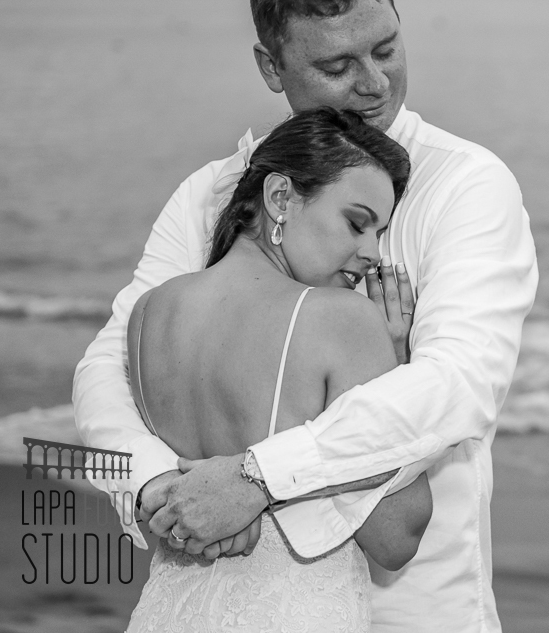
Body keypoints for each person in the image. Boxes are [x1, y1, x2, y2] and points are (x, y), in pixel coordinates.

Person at [73, 0, 538, 631]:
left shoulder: (464, 185)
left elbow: (461, 380)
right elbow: (107, 363)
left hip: (415, 607)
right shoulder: (212, 194)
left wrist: (255, 476)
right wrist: (153, 487)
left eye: (386, 49)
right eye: (338, 63)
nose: (375, 83)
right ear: (271, 65)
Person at [126, 107, 432, 631]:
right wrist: (396, 359)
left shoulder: (150, 311)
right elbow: (395, 537)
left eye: (380, 232)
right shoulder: (340, 321)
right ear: (280, 198)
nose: (372, 253)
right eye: (357, 223)